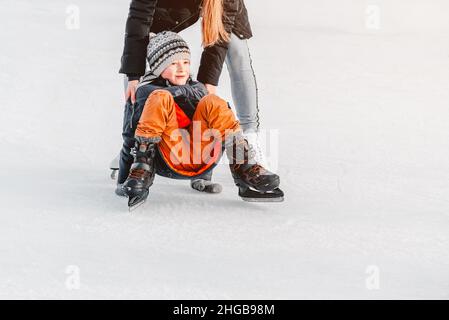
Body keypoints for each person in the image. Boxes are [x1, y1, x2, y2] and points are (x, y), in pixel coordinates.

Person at [117, 32, 283, 209]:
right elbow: (129, 136)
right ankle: (143, 170)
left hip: (202, 155)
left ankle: (243, 166)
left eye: (186, 62)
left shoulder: (197, 88)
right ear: (158, 67)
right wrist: (123, 180)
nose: (181, 69)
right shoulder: (146, 92)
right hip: (166, 155)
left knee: (212, 101)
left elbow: (207, 124)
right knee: (159, 97)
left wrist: (204, 179)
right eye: (173, 63)